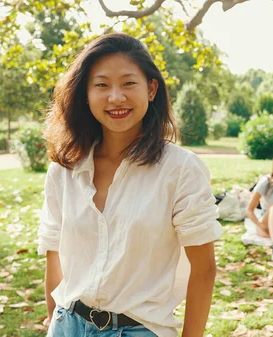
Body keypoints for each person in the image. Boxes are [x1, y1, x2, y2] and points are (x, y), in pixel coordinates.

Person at [38, 32, 223, 337]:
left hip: (139, 330)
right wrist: (54, 319)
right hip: (66, 324)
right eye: (101, 85)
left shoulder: (180, 170)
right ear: (85, 93)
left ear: (151, 89)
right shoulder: (64, 169)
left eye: (128, 83)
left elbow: (204, 270)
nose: (115, 97)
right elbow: (53, 254)